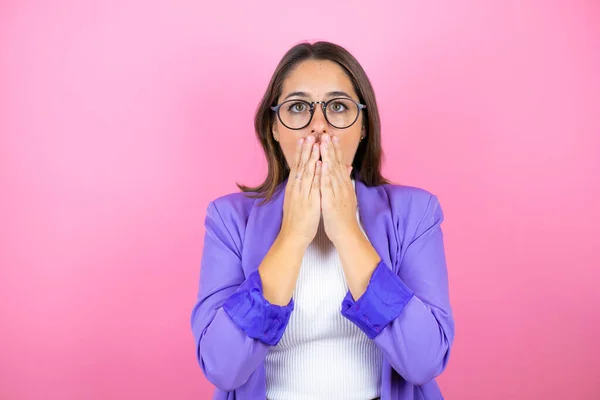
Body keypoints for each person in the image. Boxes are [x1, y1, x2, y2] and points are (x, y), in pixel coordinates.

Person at [190, 41, 455, 400]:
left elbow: (424, 362)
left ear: (363, 126)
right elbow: (222, 368)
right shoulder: (229, 220)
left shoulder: (415, 213)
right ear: (273, 128)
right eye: (298, 107)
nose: (319, 127)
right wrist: (293, 235)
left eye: (338, 107)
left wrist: (347, 231)